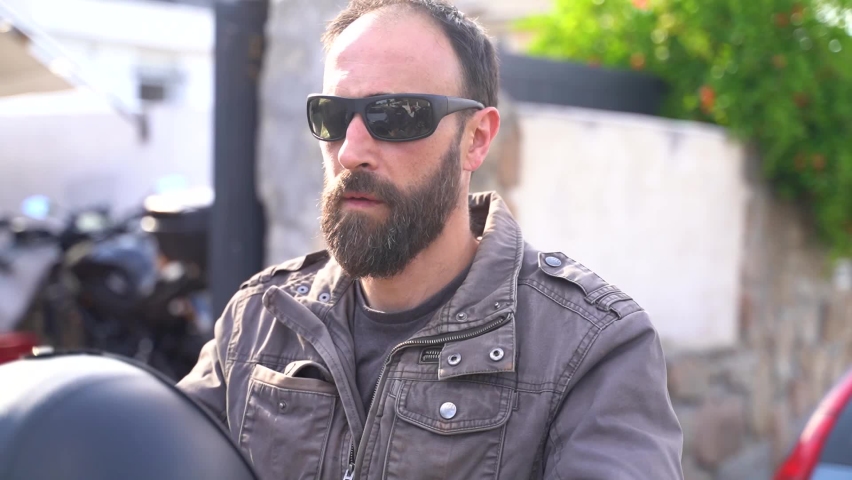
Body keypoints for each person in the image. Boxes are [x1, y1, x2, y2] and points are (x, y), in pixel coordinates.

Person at [176, 1, 685, 479]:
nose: (350, 152)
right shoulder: (259, 323)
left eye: (395, 116)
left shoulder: (590, 347)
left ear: (476, 139)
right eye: (333, 116)